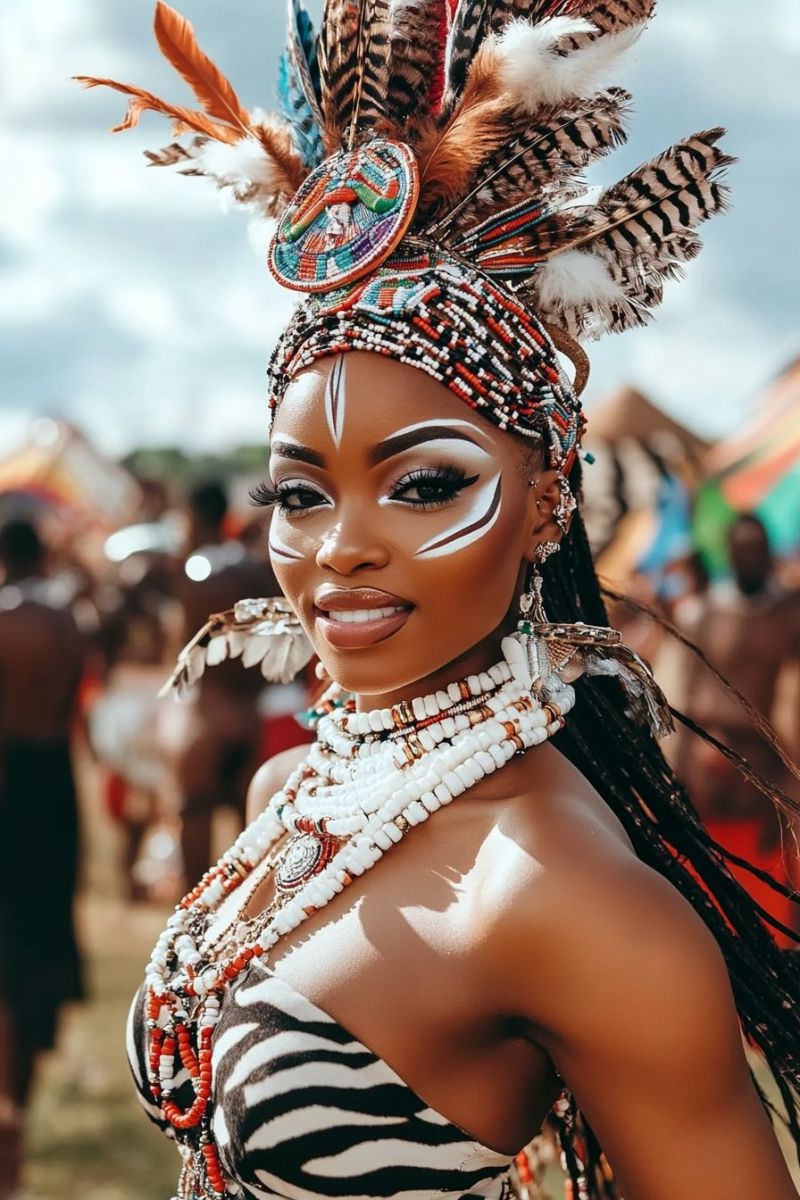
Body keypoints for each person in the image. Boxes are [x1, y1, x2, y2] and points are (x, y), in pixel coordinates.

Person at [82, 3, 800, 1198]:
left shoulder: (561, 895)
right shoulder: (290, 794)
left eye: (423, 485)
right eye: (299, 493)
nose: (338, 551)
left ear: (546, 503)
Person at [0, 519, 85, 1198]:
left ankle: (6, 1117)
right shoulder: (65, 620)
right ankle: (18, 1101)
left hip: (6, 785)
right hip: (55, 787)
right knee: (38, 937)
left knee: (6, 951)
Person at [671, 512, 800, 931]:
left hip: (761, 774)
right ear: (729, 554)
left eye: (757, 550)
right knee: (705, 902)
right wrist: (675, 770)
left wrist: (790, 786)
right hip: (702, 769)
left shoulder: (788, 615)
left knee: (762, 907)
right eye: (742, 550)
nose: (750, 558)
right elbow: (683, 697)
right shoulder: (701, 613)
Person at [173, 481, 288, 886]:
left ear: (191, 516)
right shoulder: (254, 568)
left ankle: (191, 912)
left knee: (195, 811)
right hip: (252, 712)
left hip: (207, 715)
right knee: (250, 820)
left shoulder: (192, 569)